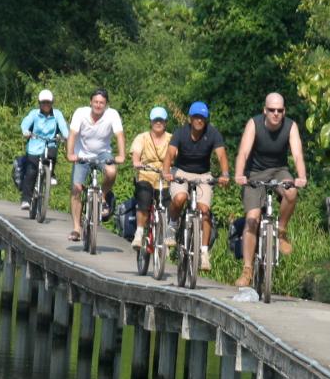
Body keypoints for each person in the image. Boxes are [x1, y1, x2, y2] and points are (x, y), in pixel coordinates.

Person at [232, 92, 307, 287]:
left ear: (284, 111)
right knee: (253, 218)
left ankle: (281, 231)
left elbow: (297, 154)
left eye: (279, 110)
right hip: (255, 173)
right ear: (264, 110)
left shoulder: (290, 126)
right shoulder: (254, 124)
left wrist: (301, 176)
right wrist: (239, 174)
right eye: (272, 110)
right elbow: (243, 151)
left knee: (291, 192)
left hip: (279, 171)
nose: (275, 114)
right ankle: (247, 270)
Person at [166, 101, 230, 272]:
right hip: (181, 172)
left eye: (202, 117)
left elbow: (221, 155)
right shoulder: (181, 133)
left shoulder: (213, 133)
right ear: (190, 118)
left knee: (204, 211)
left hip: (203, 175)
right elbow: (170, 153)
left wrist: (224, 174)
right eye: (196, 117)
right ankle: (172, 226)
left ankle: (203, 253)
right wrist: (167, 172)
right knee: (180, 198)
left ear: (206, 119)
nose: (199, 120)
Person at [67, 88, 125, 242]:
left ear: (106, 105)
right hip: (82, 154)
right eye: (96, 102)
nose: (98, 105)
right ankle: (76, 228)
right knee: (76, 188)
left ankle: (103, 196)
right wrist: (70, 153)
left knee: (111, 171)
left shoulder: (112, 114)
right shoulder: (81, 113)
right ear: (90, 102)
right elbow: (72, 134)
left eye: (102, 103)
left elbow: (119, 135)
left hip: (102, 153)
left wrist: (121, 155)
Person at [128, 106, 171, 251]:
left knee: (167, 204)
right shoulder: (142, 137)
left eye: (161, 120)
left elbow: (177, 154)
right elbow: (136, 153)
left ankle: (165, 233)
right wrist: (137, 162)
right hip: (146, 173)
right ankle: (139, 233)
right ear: (151, 122)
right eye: (155, 120)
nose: (158, 123)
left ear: (166, 122)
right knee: (144, 200)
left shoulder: (171, 139)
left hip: (164, 177)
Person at [19, 89, 69, 209]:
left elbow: (63, 126)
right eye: (43, 102)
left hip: (50, 143)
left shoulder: (57, 114)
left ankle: (50, 174)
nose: (46, 105)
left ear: (52, 103)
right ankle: (26, 199)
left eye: (48, 102)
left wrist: (66, 136)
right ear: (39, 103)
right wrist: (26, 131)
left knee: (52, 154)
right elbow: (25, 123)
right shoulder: (34, 114)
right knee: (31, 171)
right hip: (35, 145)